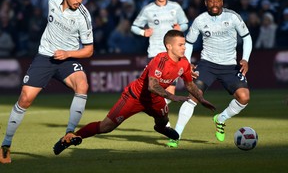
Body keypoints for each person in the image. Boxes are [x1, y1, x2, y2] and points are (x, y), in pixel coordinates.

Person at [52, 30, 216, 155]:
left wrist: (201, 99)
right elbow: (152, 86)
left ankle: (162, 129)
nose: (184, 48)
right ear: (169, 46)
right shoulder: (159, 61)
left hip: (155, 100)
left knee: (163, 120)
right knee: (106, 127)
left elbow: (189, 85)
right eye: (180, 45)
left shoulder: (184, 63)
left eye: (184, 44)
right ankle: (70, 138)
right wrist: (171, 96)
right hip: (135, 96)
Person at [0, 0, 94, 164]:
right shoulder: (52, 0)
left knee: (82, 85)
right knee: (25, 99)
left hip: (67, 58)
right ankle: (6, 145)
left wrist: (67, 53)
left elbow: (89, 50)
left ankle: (69, 133)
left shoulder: (83, 17)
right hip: (45, 57)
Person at [166, 0, 253, 148]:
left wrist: (245, 59)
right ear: (206, 3)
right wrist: (187, 62)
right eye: (211, 0)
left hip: (229, 66)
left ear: (222, 2)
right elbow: (189, 43)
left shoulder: (233, 17)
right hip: (207, 65)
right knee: (193, 96)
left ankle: (221, 119)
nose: (214, 3)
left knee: (244, 97)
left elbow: (247, 38)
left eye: (217, 0)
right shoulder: (200, 20)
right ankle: (175, 135)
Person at [131, 0, 188, 106]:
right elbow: (134, 27)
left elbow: (185, 24)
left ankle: (161, 119)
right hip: (155, 52)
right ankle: (163, 121)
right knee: (157, 88)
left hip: (172, 54)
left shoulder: (175, 7)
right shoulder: (148, 9)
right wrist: (143, 32)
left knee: (171, 90)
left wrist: (181, 28)